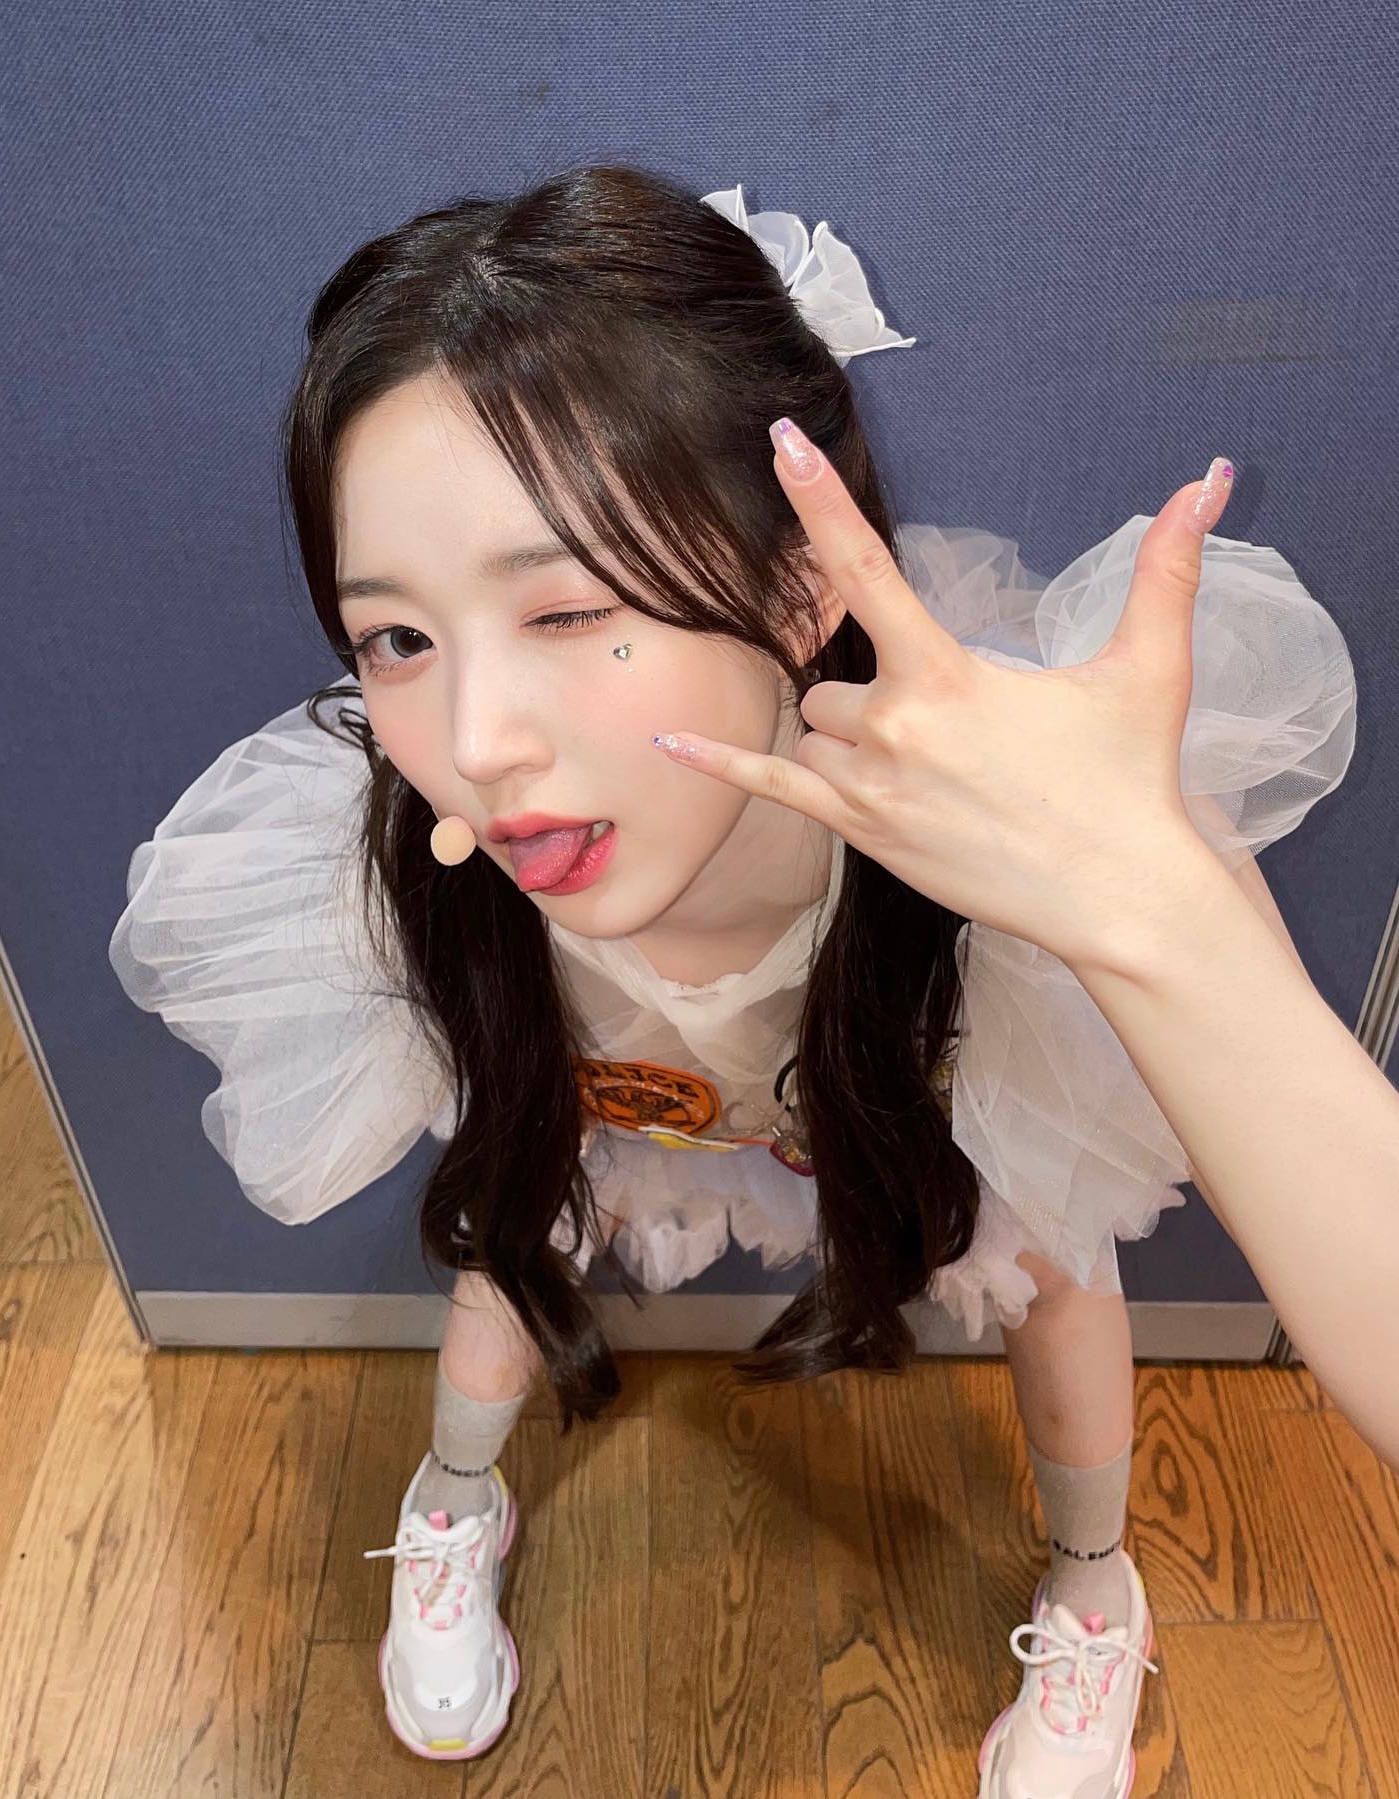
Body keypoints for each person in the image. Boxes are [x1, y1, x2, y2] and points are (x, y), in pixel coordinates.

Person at [106, 165, 1368, 1793]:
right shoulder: (422, 852)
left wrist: (1146, 908)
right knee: (518, 1207)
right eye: (396, 639)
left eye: (570, 609)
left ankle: (1093, 1582)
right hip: (627, 1110)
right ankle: (453, 1496)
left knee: (1056, 1265)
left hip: (891, 1097)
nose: (474, 744)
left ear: (794, 589)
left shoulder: (979, 865)